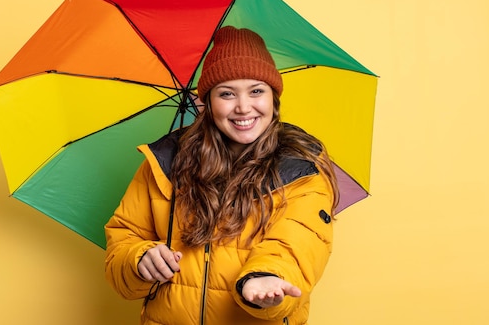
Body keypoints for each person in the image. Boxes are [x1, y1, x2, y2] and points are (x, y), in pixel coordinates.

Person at [105, 26, 339, 325]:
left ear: (273, 99)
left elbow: (295, 247)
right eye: (227, 93)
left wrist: (263, 278)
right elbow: (123, 241)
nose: (243, 107)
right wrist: (139, 260)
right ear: (207, 102)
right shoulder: (165, 163)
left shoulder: (301, 171)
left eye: (256, 91)